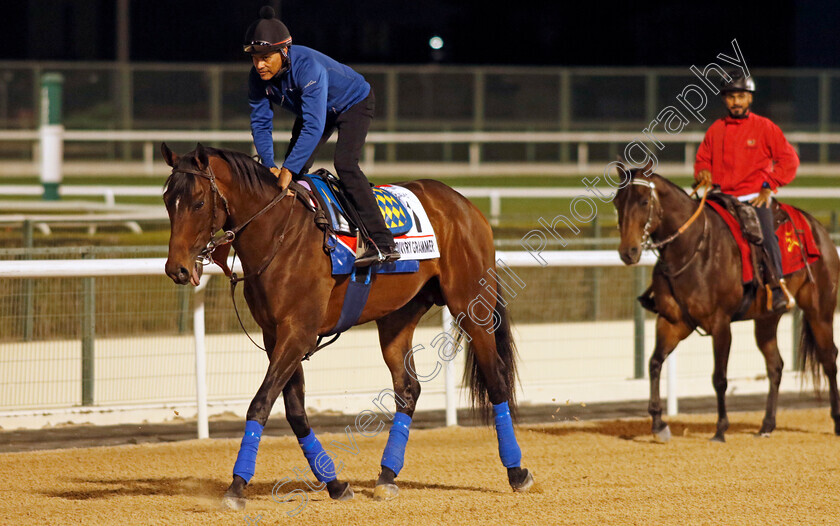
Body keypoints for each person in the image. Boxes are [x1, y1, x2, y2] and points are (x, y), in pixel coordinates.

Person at [243, 6, 400, 267]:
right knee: (292, 170)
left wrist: (288, 169)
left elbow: (313, 127)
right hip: (319, 109)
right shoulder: (256, 78)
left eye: (266, 57)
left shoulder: (308, 68)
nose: (259, 65)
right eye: (254, 58)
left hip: (354, 102)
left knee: (345, 165)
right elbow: (260, 123)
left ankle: (382, 242)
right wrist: (269, 165)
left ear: (284, 52)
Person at [694, 71, 799, 312]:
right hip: (721, 198)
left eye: (741, 96)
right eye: (731, 97)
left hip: (754, 197)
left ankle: (776, 286)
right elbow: (702, 160)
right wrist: (702, 172)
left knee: (765, 236)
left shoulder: (765, 128)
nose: (736, 102)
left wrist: (770, 185)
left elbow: (789, 160)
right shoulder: (715, 130)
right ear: (724, 100)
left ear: (750, 98)